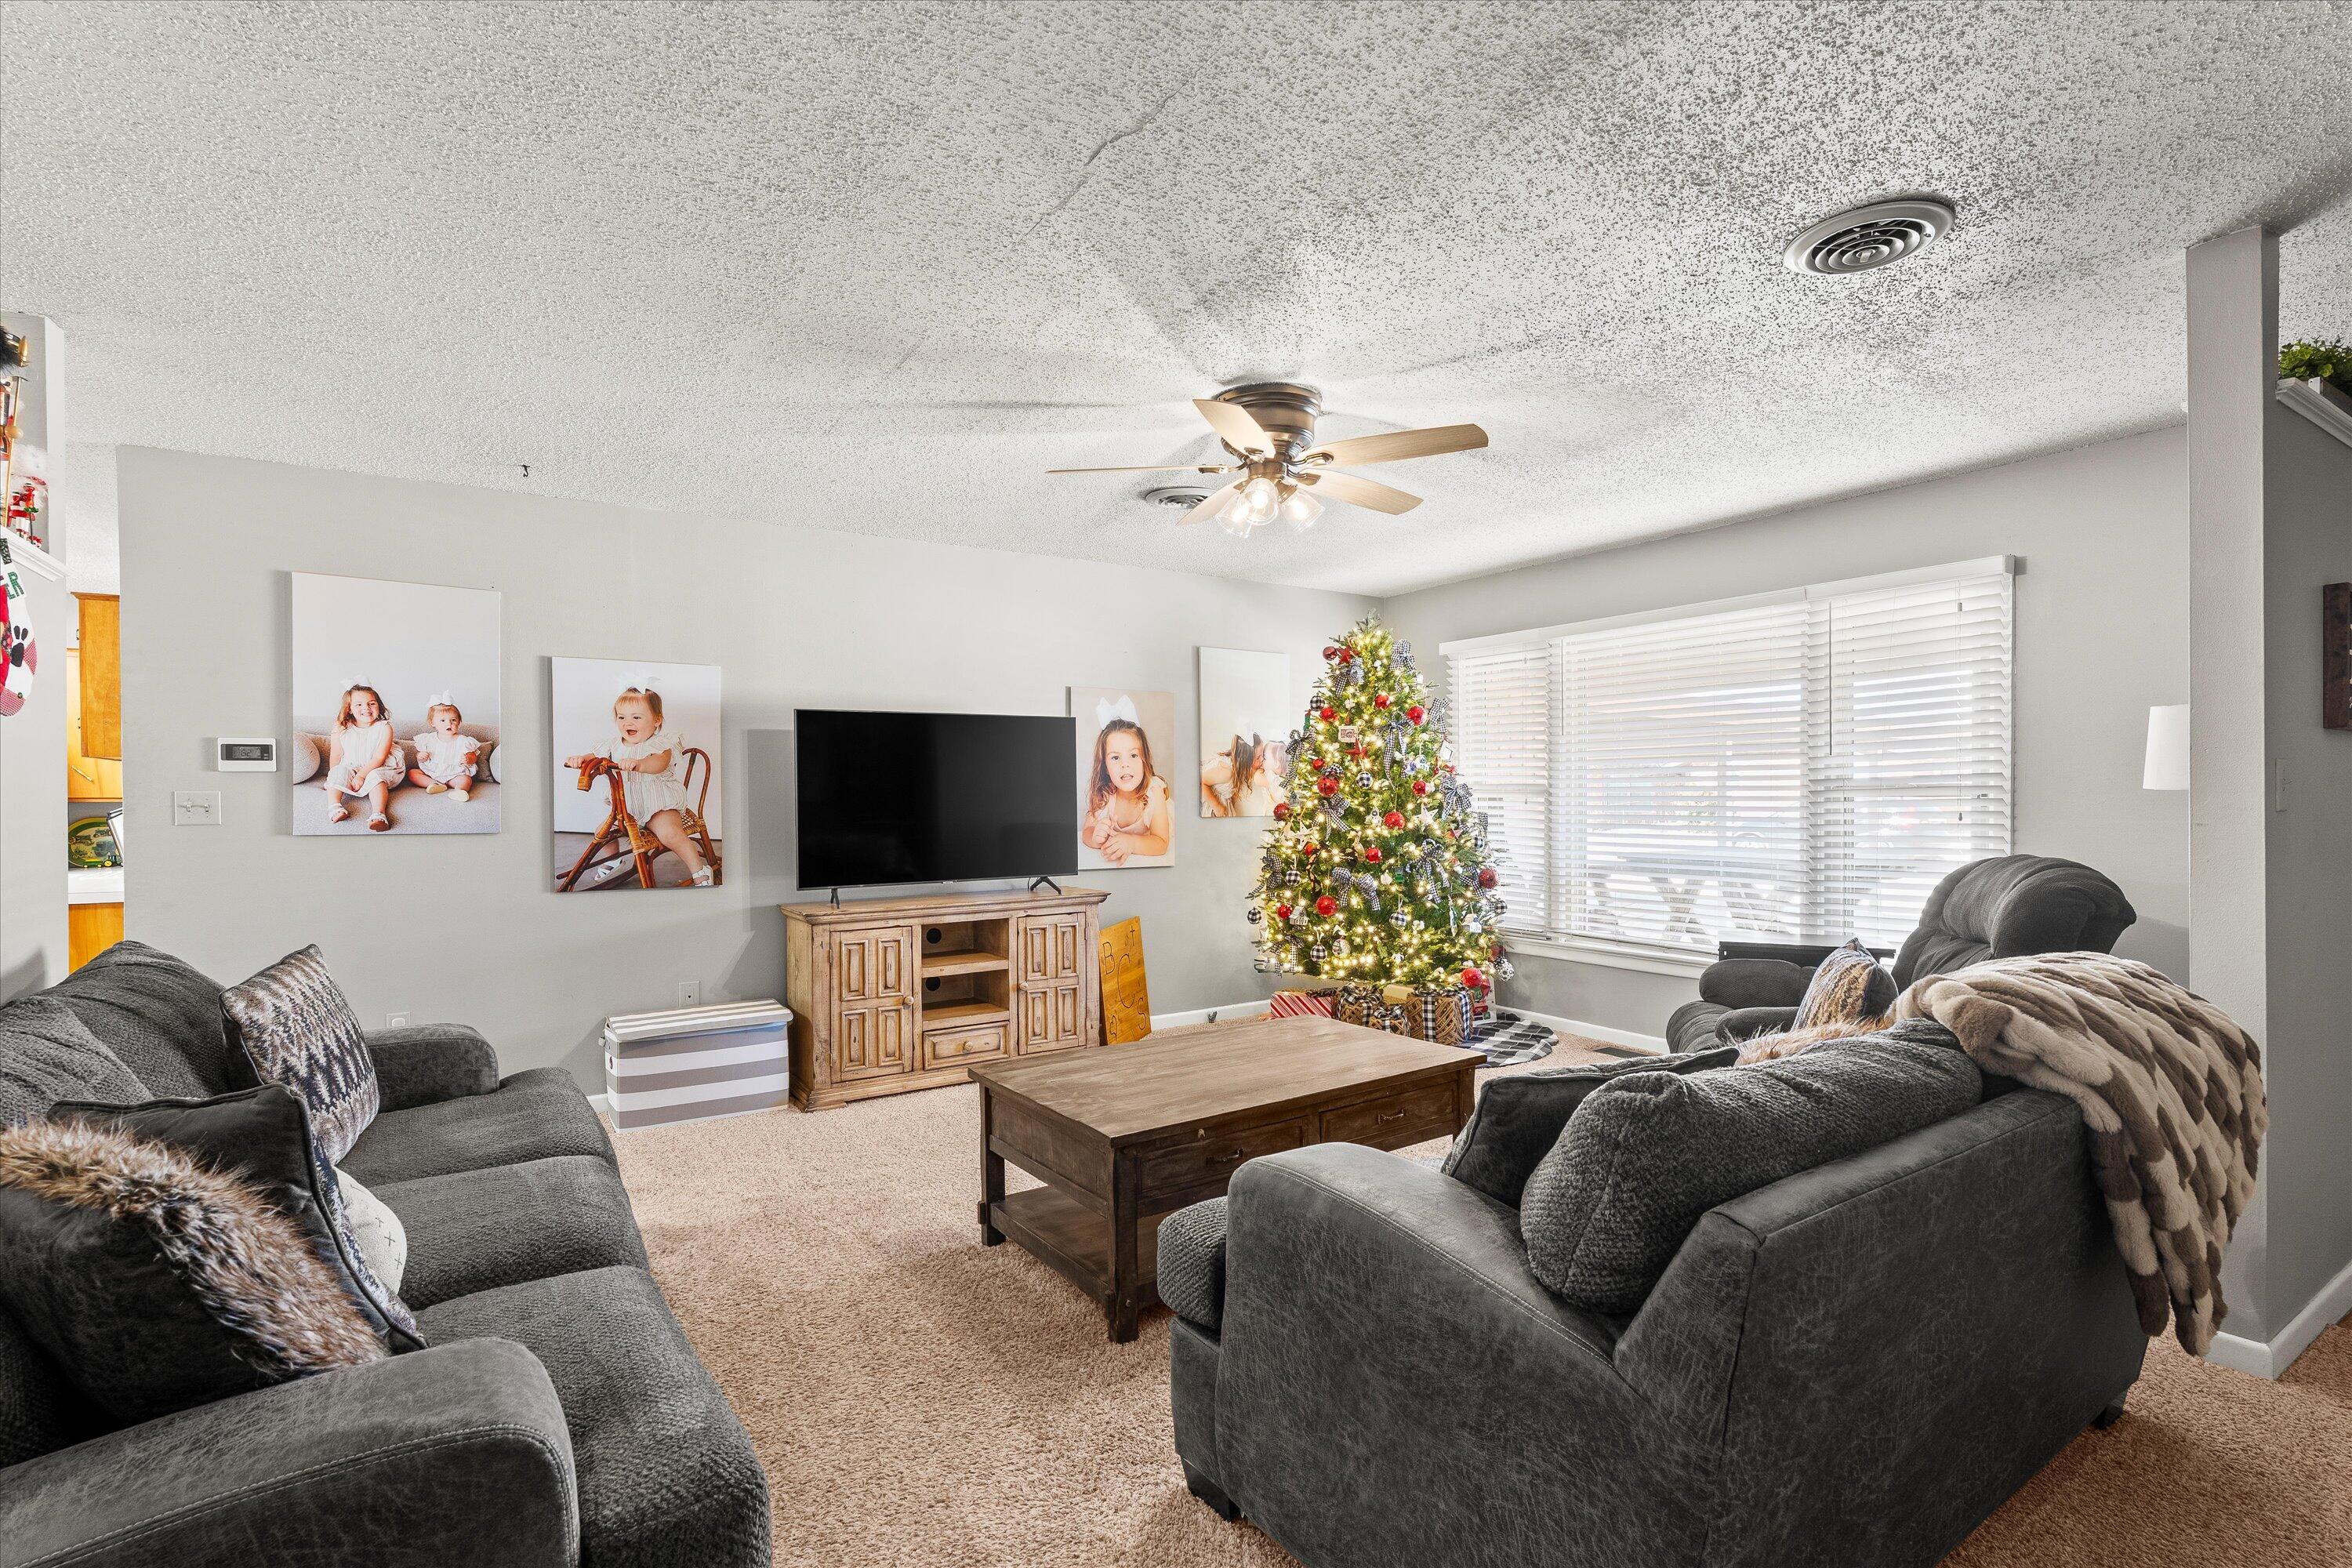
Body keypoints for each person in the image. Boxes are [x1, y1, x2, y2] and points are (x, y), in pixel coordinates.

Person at [564, 685, 714, 887]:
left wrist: (640, 764)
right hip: (628, 809)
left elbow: (659, 763)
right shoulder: (613, 745)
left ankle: (700, 869)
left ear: (656, 720)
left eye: (636, 717)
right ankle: (613, 859)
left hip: (659, 805)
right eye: (621, 717)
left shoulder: (661, 744)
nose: (628, 723)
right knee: (602, 831)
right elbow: (594, 757)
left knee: (670, 834)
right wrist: (581, 759)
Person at [1081, 708, 1171, 866]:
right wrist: (1095, 837)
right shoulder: (1104, 793)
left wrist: (1131, 843)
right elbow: (1087, 832)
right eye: (1115, 757)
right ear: (1105, 767)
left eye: (1134, 755)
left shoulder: (1154, 793)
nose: (1125, 764)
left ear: (1144, 760)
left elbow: (1161, 843)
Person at [323, 682, 402, 832]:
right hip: (352, 766)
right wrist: (333, 778)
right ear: (350, 709)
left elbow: (379, 757)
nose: (366, 708)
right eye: (359, 704)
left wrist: (361, 776)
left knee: (376, 776)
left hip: (379, 766)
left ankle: (379, 814)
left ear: (378, 706)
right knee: (338, 771)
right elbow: (337, 755)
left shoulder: (384, 727)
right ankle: (335, 807)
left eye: (371, 703)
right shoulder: (341, 727)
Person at [407, 696, 481, 800]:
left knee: (466, 780)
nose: (449, 724)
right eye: (443, 720)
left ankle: (460, 791)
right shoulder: (428, 739)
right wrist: (420, 756)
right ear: (432, 723)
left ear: (459, 722)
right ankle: (435, 785)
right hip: (432, 773)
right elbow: (420, 755)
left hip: (455, 775)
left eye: (453, 720)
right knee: (412, 773)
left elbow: (473, 757)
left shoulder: (464, 741)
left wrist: (469, 758)